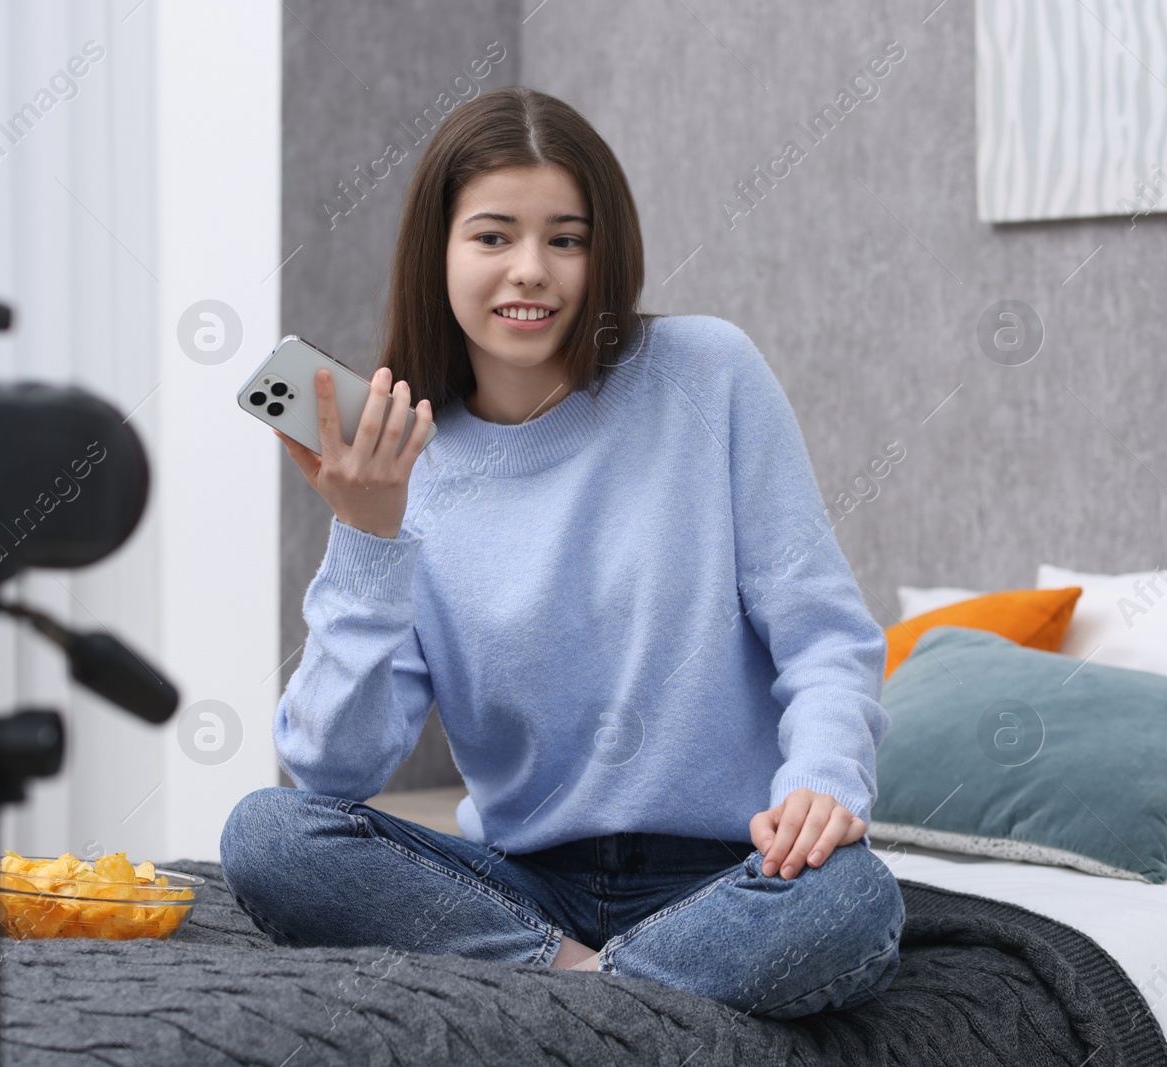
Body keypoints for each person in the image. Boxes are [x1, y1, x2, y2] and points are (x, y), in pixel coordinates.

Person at [220, 86, 904, 1020]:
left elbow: (826, 638)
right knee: (268, 834)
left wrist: (823, 780)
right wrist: (368, 535)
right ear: (440, 252)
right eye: (493, 237)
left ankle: (564, 1003)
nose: (530, 271)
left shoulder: (708, 375)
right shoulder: (405, 464)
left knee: (854, 899)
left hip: (731, 876)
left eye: (566, 239)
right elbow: (332, 774)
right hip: (521, 886)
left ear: (603, 251)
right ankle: (598, 995)